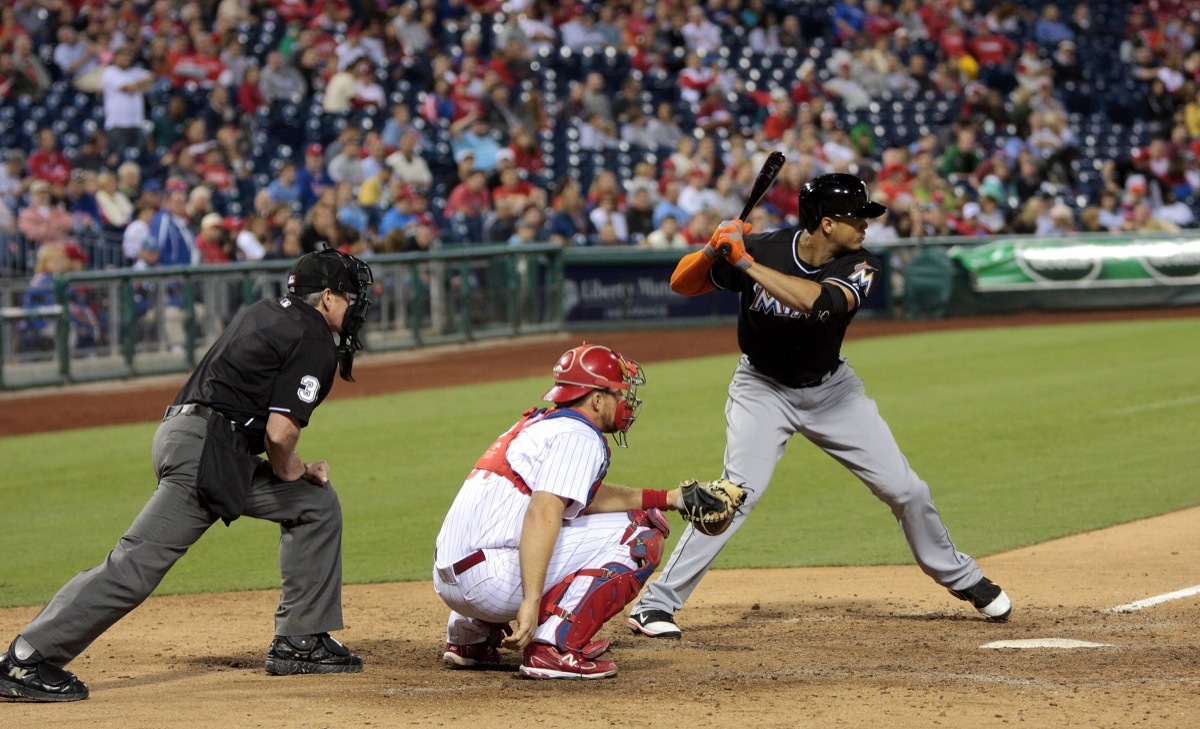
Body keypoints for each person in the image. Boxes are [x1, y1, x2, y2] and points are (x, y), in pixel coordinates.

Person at [627, 173, 1012, 639]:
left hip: (834, 393)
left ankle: (962, 577)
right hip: (762, 390)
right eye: (858, 217)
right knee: (734, 496)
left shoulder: (860, 263)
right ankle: (656, 604)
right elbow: (682, 285)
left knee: (905, 489)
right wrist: (713, 249)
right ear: (827, 223)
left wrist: (744, 262)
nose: (866, 226)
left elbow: (818, 302)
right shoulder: (768, 246)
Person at [0, 249, 375, 702]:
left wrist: (293, 479)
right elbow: (280, 435)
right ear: (329, 298)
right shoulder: (312, 335)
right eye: (353, 297)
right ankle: (26, 658)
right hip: (205, 451)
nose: (357, 307)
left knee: (312, 504)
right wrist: (297, 469)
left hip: (196, 438)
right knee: (135, 564)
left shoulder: (267, 312)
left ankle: (301, 639)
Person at [434, 343, 691, 679]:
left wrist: (667, 497)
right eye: (619, 393)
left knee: (586, 519)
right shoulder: (578, 435)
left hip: (452, 579)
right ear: (597, 399)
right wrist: (530, 602)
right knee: (642, 532)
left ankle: (472, 638)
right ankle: (554, 646)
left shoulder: (541, 424)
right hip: (489, 583)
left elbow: (582, 499)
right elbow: (542, 513)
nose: (625, 402)